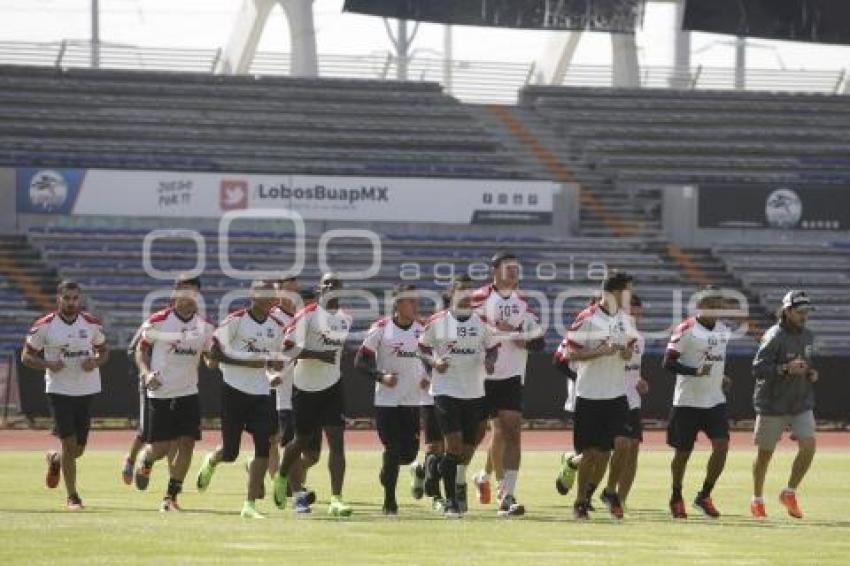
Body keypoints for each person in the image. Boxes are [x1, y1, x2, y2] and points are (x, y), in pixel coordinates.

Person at [195, 280, 286, 519]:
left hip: (262, 394)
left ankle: (249, 505)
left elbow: (274, 358)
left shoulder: (276, 326)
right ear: (253, 295)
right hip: (233, 391)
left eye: (273, 294)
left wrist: (274, 367)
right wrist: (247, 361)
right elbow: (214, 354)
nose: (271, 298)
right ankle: (212, 460)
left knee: (264, 447)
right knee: (231, 452)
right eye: (265, 293)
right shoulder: (235, 321)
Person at [22, 280, 109, 510]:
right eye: (67, 298)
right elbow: (26, 357)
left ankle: (55, 459)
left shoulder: (91, 323)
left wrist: (96, 361)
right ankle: (73, 497)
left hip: (86, 389)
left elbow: (104, 350)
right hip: (59, 390)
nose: (71, 303)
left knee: (77, 450)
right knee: (69, 444)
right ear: (58, 298)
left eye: (75, 298)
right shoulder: (44, 326)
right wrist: (48, 364)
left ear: (79, 299)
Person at [418, 274, 500, 518]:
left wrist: (489, 361)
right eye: (461, 289)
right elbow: (421, 349)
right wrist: (434, 363)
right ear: (451, 295)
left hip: (475, 392)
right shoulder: (437, 322)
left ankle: (437, 474)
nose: (466, 293)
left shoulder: (482, 322)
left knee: (465, 450)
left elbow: (493, 348)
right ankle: (452, 502)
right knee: (453, 446)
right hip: (446, 391)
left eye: (469, 289)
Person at [272, 273, 354, 517]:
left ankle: (336, 499)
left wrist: (338, 356)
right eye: (327, 283)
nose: (331, 287)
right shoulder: (307, 315)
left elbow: (338, 349)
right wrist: (319, 354)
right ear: (320, 289)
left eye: (336, 284)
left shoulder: (346, 319)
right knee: (300, 442)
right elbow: (287, 348)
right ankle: (283, 477)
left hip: (333, 386)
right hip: (304, 387)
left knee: (337, 441)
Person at [471, 252, 544, 517]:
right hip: (478, 377)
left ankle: (507, 494)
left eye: (517, 268)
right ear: (494, 270)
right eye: (508, 268)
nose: (514, 272)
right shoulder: (477, 299)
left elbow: (539, 341)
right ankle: (459, 480)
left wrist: (521, 338)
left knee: (510, 432)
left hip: (511, 376)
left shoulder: (523, 302)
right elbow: (462, 331)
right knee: (474, 436)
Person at [133, 276, 215, 511]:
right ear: (175, 293)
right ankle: (146, 458)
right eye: (184, 291)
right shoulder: (159, 321)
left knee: (187, 443)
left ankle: (170, 497)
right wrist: (146, 373)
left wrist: (212, 360)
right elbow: (140, 349)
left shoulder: (205, 325)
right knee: (161, 449)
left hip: (188, 392)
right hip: (160, 393)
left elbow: (209, 354)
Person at [564, 272, 637, 520]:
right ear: (613, 293)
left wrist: (625, 353)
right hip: (590, 395)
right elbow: (570, 354)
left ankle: (609, 491)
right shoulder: (586, 318)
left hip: (617, 394)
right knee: (593, 453)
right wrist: (599, 352)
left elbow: (629, 350)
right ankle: (580, 501)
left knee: (625, 444)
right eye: (626, 290)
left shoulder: (626, 319)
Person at [355, 283, 428, 514]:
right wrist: (381, 376)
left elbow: (435, 357)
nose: (416, 305)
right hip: (387, 401)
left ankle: (392, 471)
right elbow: (360, 362)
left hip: (412, 400)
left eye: (417, 300)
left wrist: (429, 376)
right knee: (392, 448)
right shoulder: (381, 328)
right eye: (411, 301)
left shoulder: (423, 329)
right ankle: (389, 501)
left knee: (408, 455)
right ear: (398, 304)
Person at [663, 287, 732, 519]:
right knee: (683, 453)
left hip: (714, 400)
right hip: (687, 402)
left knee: (722, 447)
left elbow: (714, 360)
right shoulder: (686, 329)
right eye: (712, 303)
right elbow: (668, 363)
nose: (717, 308)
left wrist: (720, 376)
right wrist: (694, 371)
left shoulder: (724, 330)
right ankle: (676, 495)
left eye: (719, 304)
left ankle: (704, 495)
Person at [750, 290, 818, 520]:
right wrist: (785, 369)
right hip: (773, 404)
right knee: (765, 455)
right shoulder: (773, 336)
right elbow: (757, 369)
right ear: (787, 311)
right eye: (800, 312)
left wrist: (810, 372)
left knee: (809, 446)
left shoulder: (808, 335)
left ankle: (789, 492)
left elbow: (806, 363)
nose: (804, 316)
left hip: (800, 402)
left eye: (807, 311)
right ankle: (757, 500)